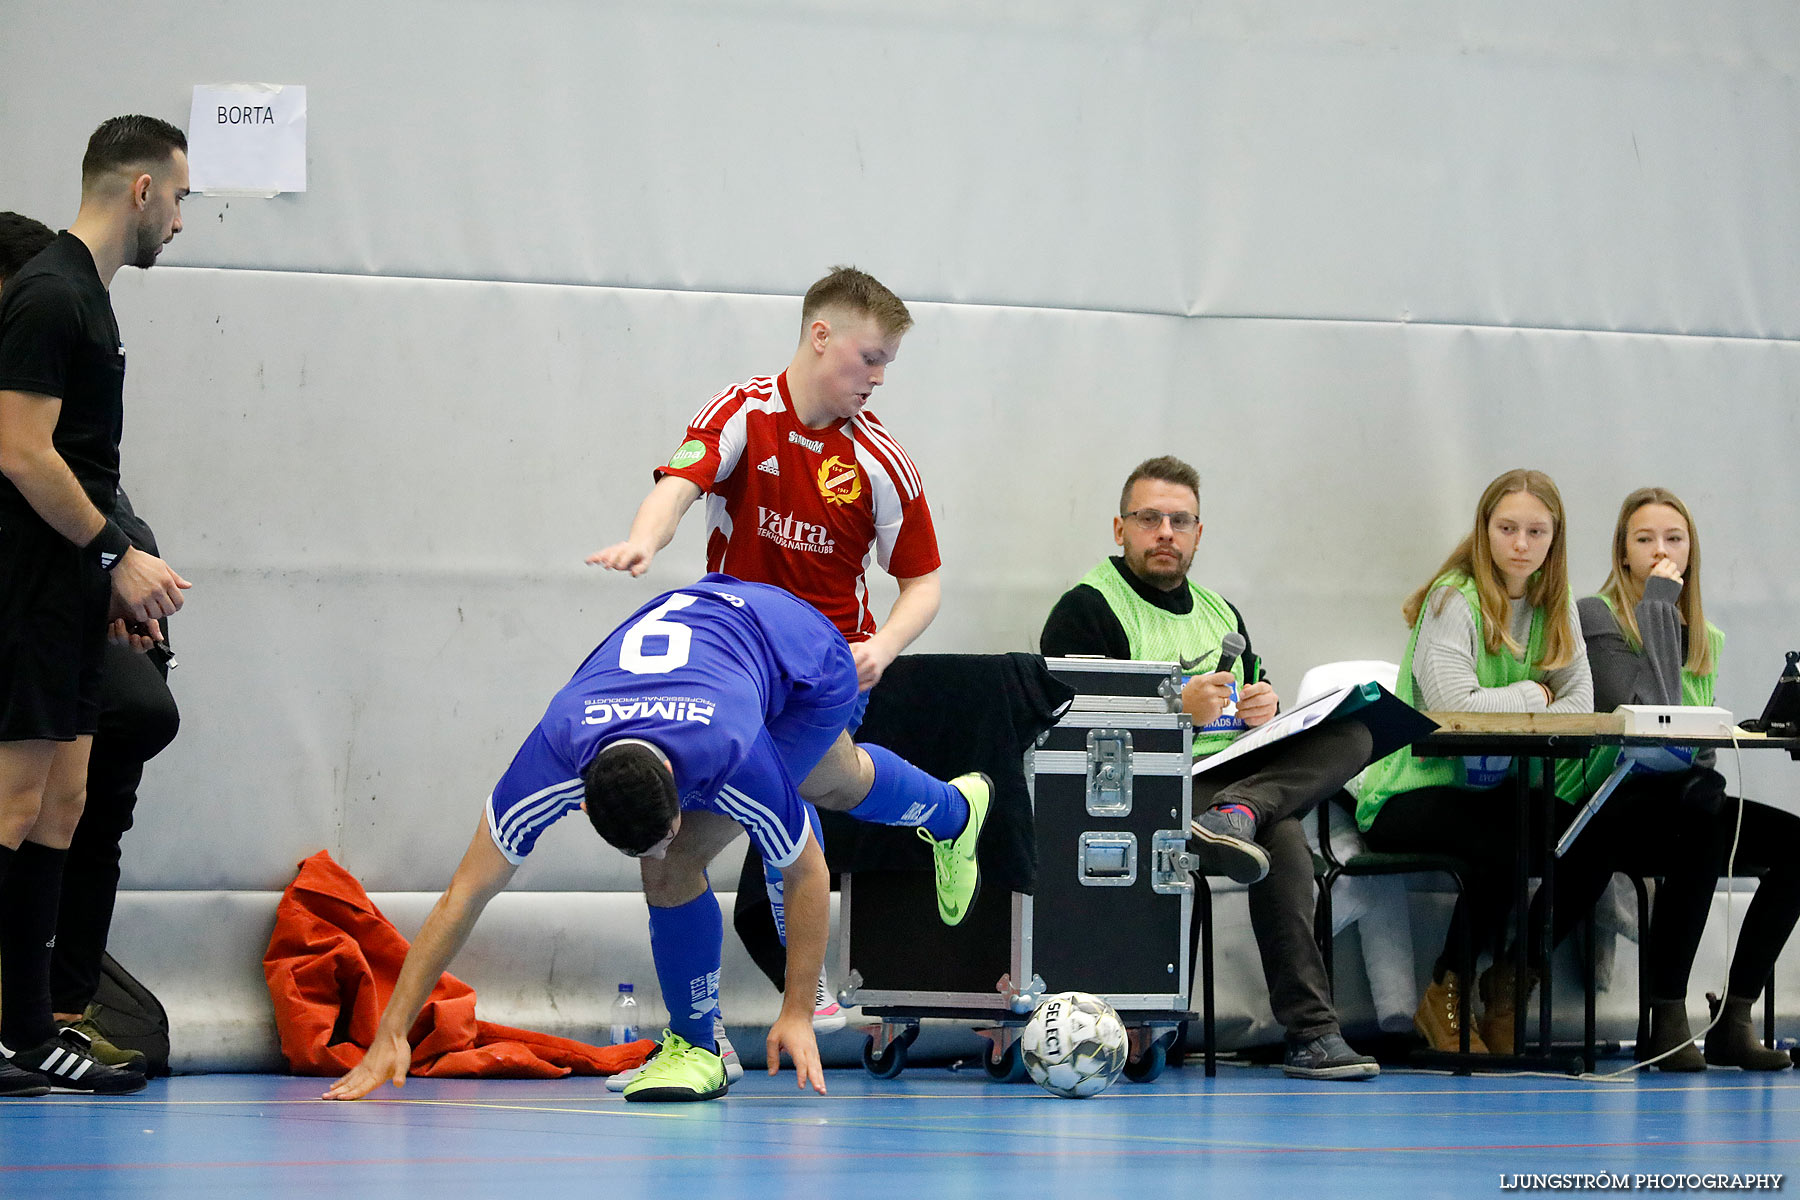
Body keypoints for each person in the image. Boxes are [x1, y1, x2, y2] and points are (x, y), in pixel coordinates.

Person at [324, 575, 989, 1104]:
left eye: (662, 832)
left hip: (805, 655)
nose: (660, 843)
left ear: (680, 799)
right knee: (809, 790)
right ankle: (958, 809)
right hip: (710, 639)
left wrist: (794, 1008)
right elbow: (461, 898)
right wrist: (391, 1031)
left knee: (809, 796)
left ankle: (697, 1043)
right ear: (580, 796)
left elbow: (806, 871)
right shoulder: (556, 749)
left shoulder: (732, 751)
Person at [588, 266, 944, 1031]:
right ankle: (953, 811)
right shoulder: (747, 413)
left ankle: (792, 987)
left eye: (889, 363)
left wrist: (883, 646)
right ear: (821, 336)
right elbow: (681, 483)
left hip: (829, 669)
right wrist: (643, 541)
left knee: (751, 797)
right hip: (732, 667)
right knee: (801, 794)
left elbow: (923, 583)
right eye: (871, 357)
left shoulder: (881, 462)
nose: (880, 377)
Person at [1040, 455, 1380, 1081]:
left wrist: (1266, 707)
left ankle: (1241, 813)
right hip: (1146, 792)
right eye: (1149, 519)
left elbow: (1254, 692)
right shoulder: (1087, 608)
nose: (1165, 532)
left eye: (1180, 520)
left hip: (1230, 786)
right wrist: (1177, 712)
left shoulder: (1222, 612)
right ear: (1121, 530)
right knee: (1283, 840)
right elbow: (1069, 734)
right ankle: (1312, 1032)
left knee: (1355, 734)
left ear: (1199, 532)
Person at [0, 117, 193, 1097]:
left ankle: (30, 1031)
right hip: (28, 586)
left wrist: (118, 567)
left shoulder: (93, 300)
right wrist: (115, 552)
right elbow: (21, 450)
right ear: (141, 191)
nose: (183, 222)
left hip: (72, 590)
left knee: (64, 804)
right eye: (183, 199)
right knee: (14, 803)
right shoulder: (47, 295)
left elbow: (81, 463)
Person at [1355, 468, 1594, 1056]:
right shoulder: (1452, 598)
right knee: (1508, 835)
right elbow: (1450, 706)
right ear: (1484, 531)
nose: (1521, 544)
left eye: (1536, 532)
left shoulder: (1554, 606)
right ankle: (1447, 989)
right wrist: (1537, 696)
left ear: (1554, 539)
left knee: (1586, 834)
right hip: (1410, 790)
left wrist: (1535, 702)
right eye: (1507, 528)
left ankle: (1509, 983)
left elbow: (1583, 704)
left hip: (1491, 794)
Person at [1559, 488, 1793, 1070]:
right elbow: (1649, 720)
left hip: (1683, 801)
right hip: (1613, 800)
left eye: (1673, 539)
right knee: (1704, 817)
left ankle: (1734, 1016)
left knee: (1792, 842)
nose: (1660, 551)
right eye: (1645, 540)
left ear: (1692, 550)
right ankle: (1665, 1016)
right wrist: (1660, 603)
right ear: (1623, 551)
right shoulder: (1595, 615)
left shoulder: (1705, 637)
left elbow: (1698, 749)